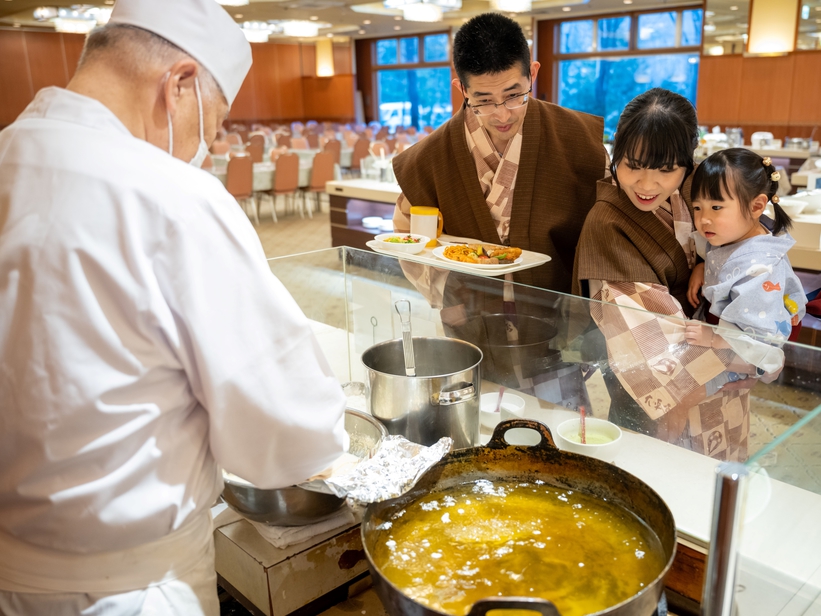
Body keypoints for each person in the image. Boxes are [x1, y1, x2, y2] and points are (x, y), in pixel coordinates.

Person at [0, 0, 346, 613]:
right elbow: (283, 426)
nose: (208, 146)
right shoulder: (172, 197)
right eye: (212, 124)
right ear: (179, 86)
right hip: (128, 588)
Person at [573, 88, 767, 462]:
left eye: (666, 169)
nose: (647, 185)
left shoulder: (703, 186)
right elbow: (650, 342)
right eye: (632, 165)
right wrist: (746, 353)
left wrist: (705, 264)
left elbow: (758, 248)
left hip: (724, 387)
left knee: (716, 501)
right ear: (615, 154)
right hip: (663, 396)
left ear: (687, 163)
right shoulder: (607, 223)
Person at [392, 12, 606, 294]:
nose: (502, 114)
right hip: (467, 316)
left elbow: (609, 229)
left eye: (514, 95)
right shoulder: (427, 158)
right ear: (462, 89)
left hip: (560, 312)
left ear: (533, 73)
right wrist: (445, 295)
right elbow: (409, 237)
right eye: (484, 100)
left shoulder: (581, 140)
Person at [684, 149, 807, 389]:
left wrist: (713, 338)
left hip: (749, 341)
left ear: (756, 206)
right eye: (698, 208)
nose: (703, 219)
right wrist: (703, 265)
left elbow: (758, 335)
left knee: (690, 395)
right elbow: (716, 253)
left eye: (716, 208)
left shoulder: (759, 268)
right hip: (726, 327)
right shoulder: (737, 231)